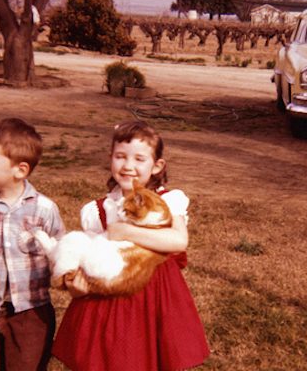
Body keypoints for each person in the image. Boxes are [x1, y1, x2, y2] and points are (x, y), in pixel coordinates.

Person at [51, 120, 210, 370]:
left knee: (150, 356)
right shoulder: (99, 209)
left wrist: (126, 231)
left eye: (139, 159)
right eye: (120, 157)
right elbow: (87, 256)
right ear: (110, 158)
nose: (128, 166)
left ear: (157, 166)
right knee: (109, 355)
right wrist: (75, 287)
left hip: (155, 293)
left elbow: (178, 240)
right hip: (108, 297)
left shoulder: (167, 201)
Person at [0, 118, 65, 371]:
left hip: (30, 310)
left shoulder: (44, 209)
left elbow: (58, 251)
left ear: (20, 170)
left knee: (26, 365)